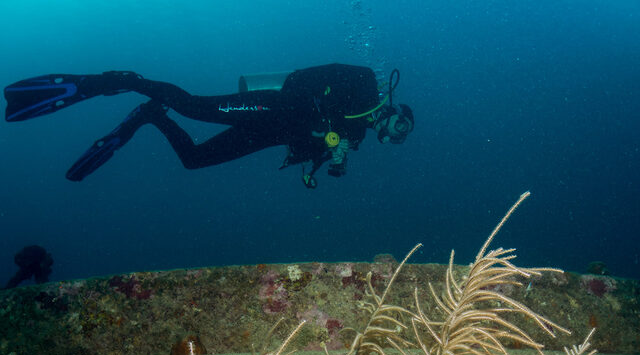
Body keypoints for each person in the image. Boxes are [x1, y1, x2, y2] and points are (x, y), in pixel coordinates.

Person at [4, 64, 414, 189]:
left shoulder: (356, 135)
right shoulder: (363, 82)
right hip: (272, 106)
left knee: (194, 160)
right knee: (193, 107)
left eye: (400, 138)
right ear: (395, 110)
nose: (395, 135)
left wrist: (322, 164)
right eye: (401, 126)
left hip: (269, 134)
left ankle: (150, 115)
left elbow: (311, 147)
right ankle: (119, 81)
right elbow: (301, 80)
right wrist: (321, 116)